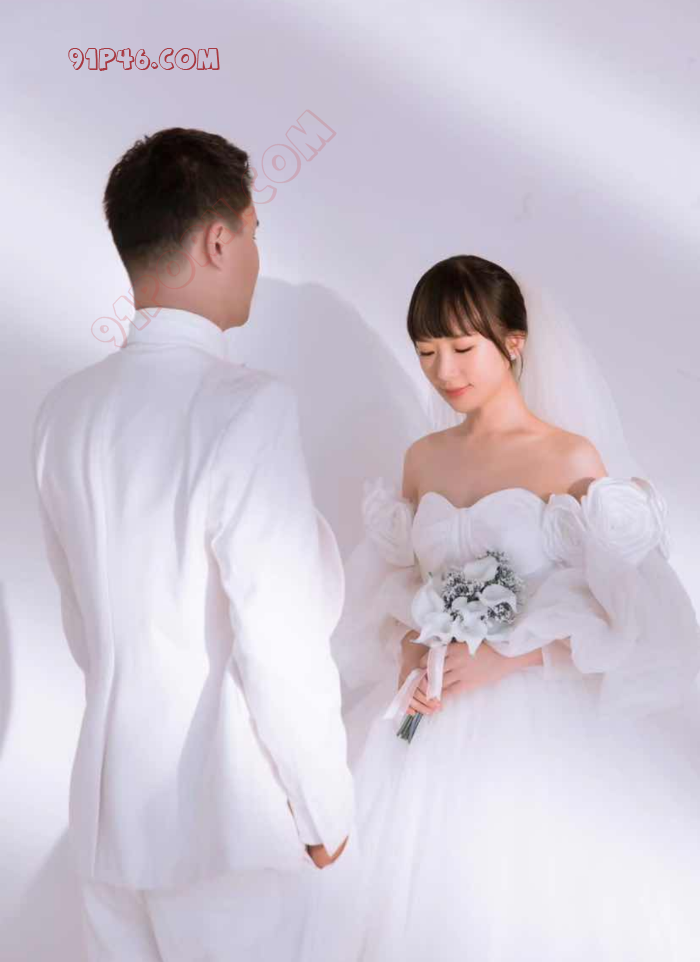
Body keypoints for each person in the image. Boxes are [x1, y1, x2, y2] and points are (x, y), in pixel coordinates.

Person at [300, 255, 700, 961]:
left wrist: (509, 658)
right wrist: (409, 643)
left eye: (462, 348)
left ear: (513, 342)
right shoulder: (422, 459)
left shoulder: (569, 457)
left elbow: (625, 611)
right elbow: (399, 581)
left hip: (537, 723)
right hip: (424, 720)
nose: (444, 371)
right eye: (427, 351)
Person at [31, 127, 353, 962]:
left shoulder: (64, 413)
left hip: (105, 816)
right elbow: (279, 636)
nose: (254, 254)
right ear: (218, 240)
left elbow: (83, 628)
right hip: (227, 821)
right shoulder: (246, 407)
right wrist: (323, 806)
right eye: (252, 231)